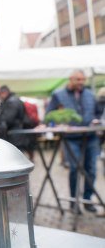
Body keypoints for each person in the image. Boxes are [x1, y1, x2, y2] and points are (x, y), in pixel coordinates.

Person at [46, 70, 100, 213]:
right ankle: (74, 202)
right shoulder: (58, 95)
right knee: (75, 169)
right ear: (70, 79)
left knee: (92, 170)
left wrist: (99, 120)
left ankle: (87, 200)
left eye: (83, 79)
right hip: (71, 139)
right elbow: (49, 115)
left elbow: (99, 111)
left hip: (91, 137)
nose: (81, 82)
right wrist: (56, 124)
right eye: (78, 79)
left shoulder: (89, 94)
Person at [0, 86, 35, 161]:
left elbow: (8, 118)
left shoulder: (12, 101)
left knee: (16, 158)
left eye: (0, 94)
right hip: (15, 133)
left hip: (14, 134)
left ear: (4, 93)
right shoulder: (12, 100)